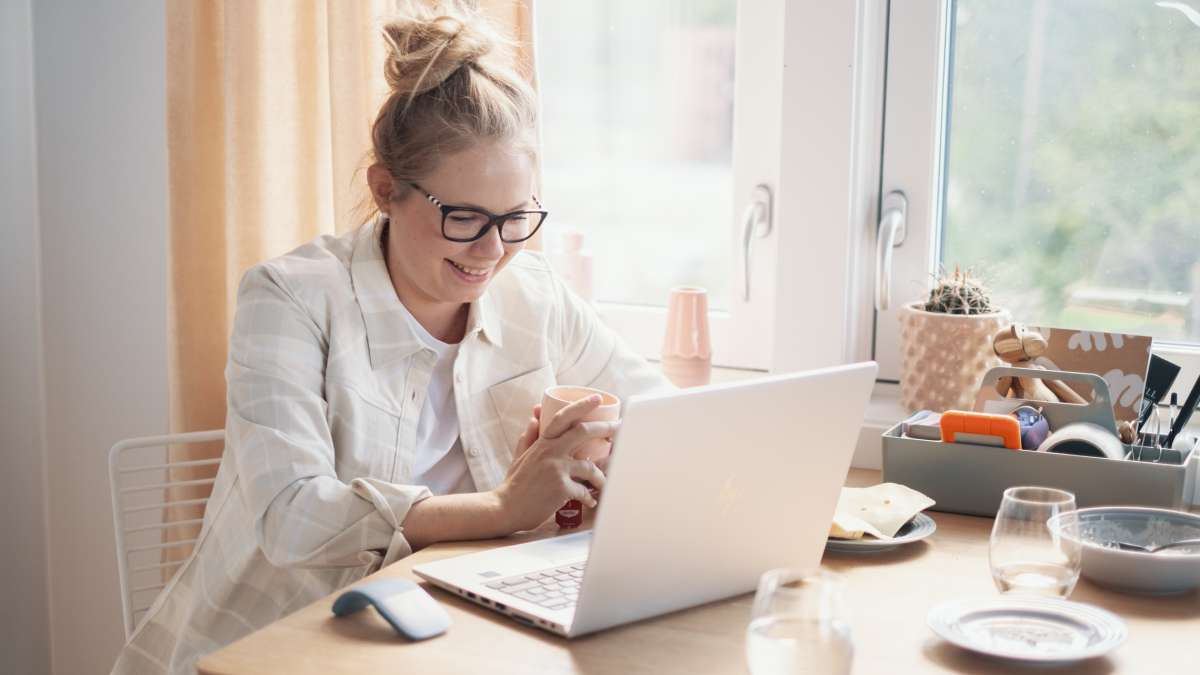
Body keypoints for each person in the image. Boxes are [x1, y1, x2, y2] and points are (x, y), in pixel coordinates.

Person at [112, 8, 668, 674]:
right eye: (465, 218)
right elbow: (291, 516)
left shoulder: (535, 293)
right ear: (385, 190)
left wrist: (595, 464)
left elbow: (663, 416)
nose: (493, 250)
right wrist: (501, 505)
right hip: (271, 644)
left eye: (516, 217)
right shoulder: (290, 298)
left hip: (447, 636)